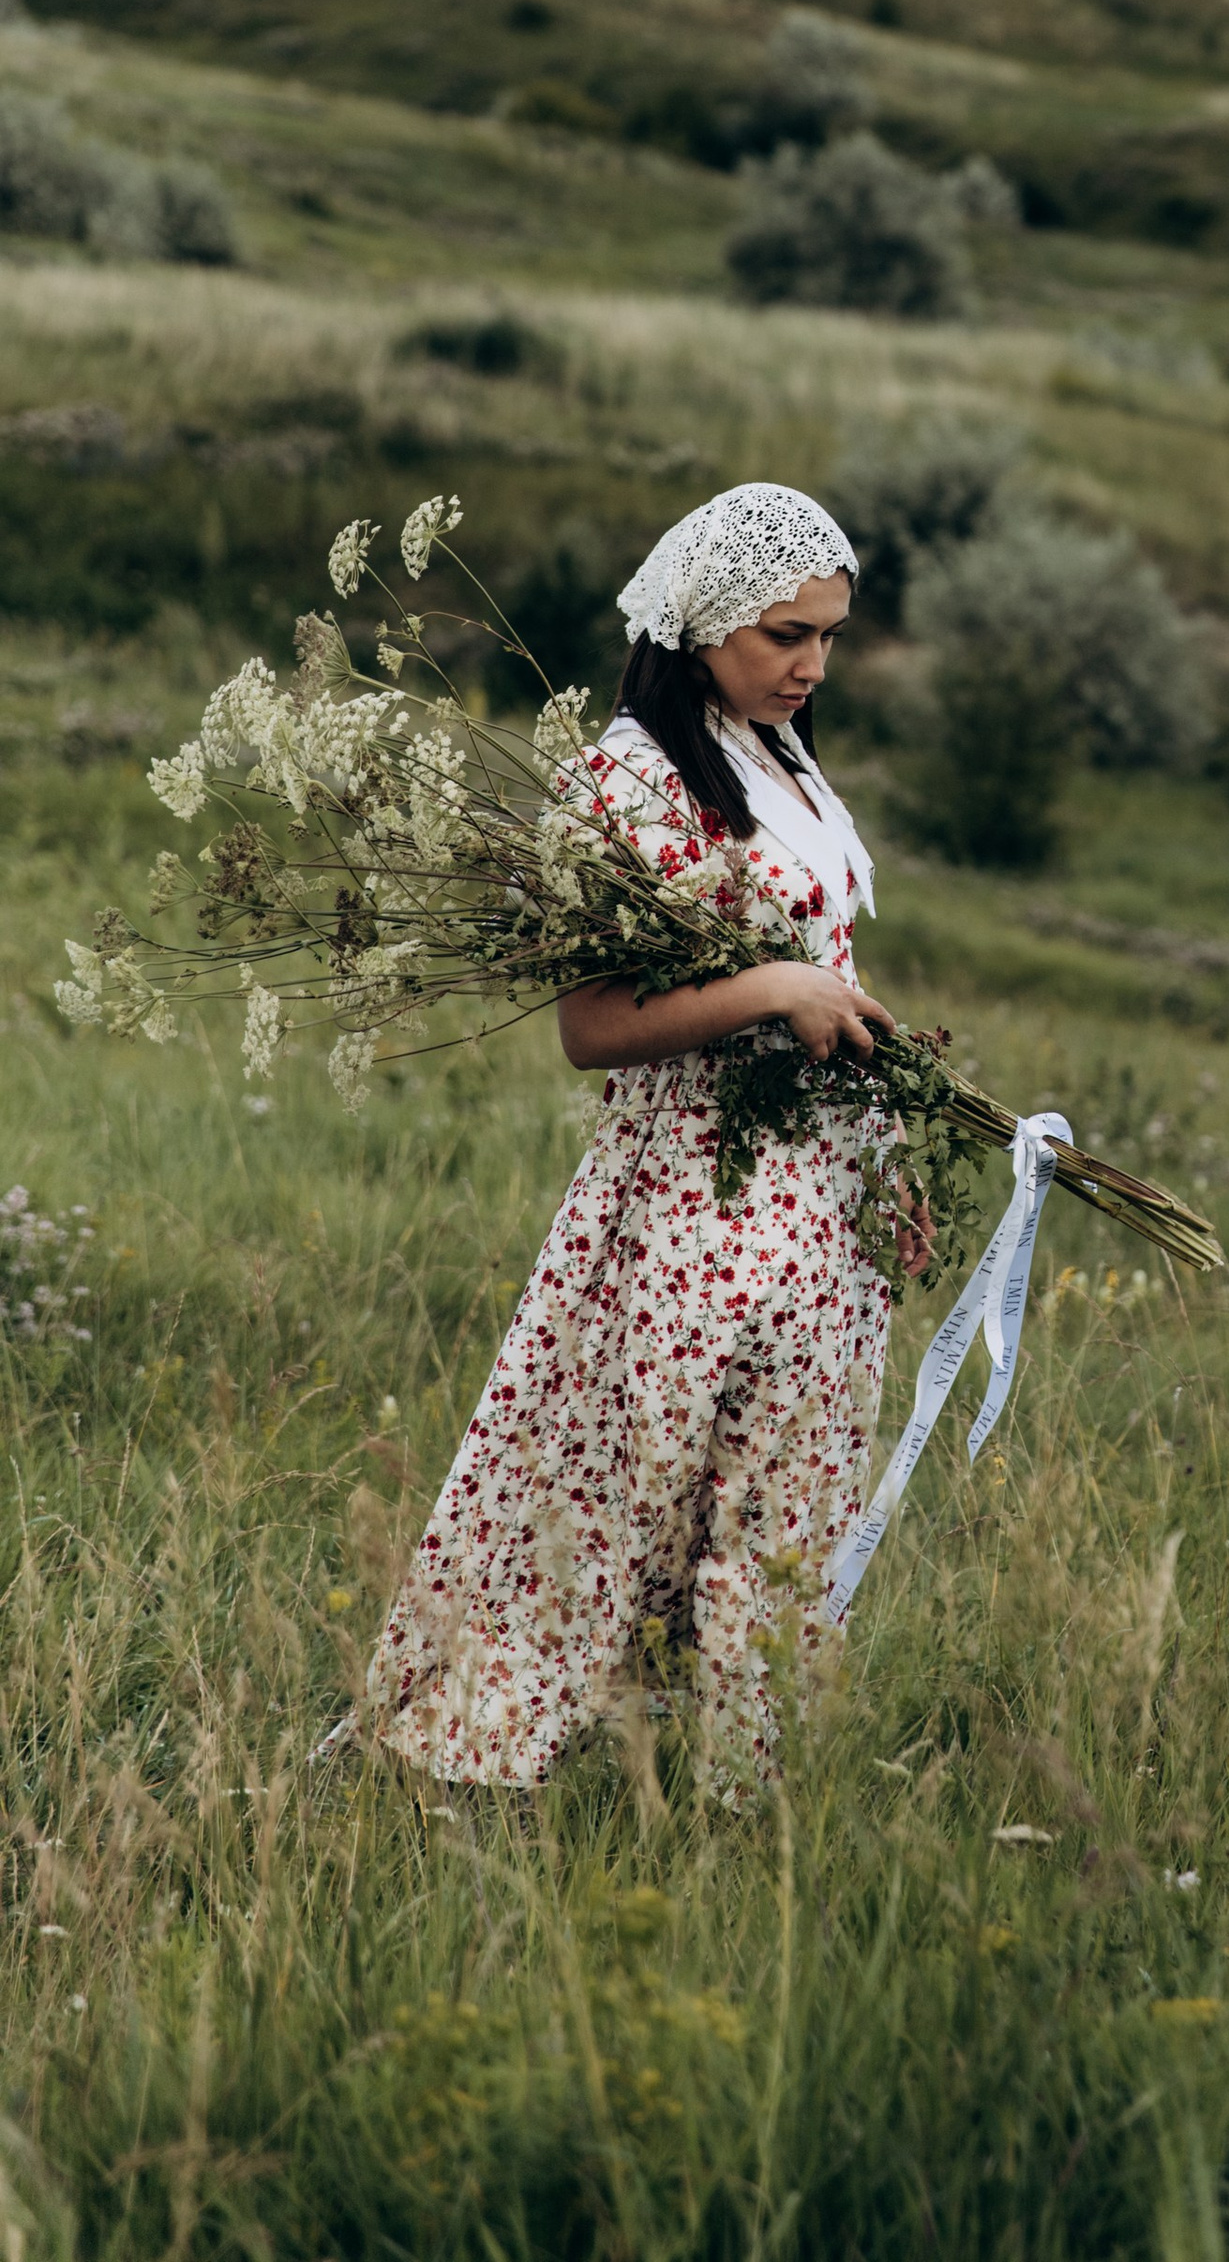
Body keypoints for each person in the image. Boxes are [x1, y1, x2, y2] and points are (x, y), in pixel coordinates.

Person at [360, 480, 919, 1788]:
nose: (812, 663)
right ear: (705, 622)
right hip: (693, 1199)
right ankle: (490, 1752)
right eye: (786, 633)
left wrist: (887, 1162)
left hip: (823, 1192)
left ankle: (747, 1799)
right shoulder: (628, 784)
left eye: (828, 635)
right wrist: (774, 992)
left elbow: (830, 970)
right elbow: (594, 1028)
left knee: (794, 1504)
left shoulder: (781, 754)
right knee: (627, 1498)